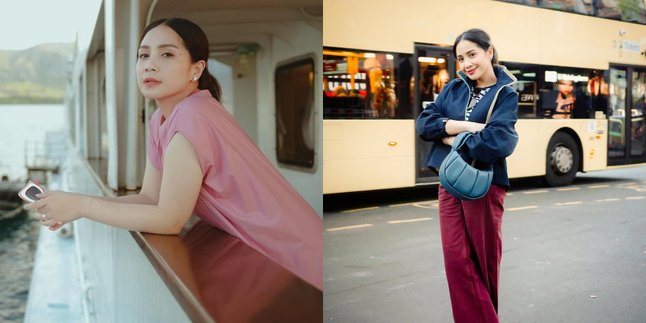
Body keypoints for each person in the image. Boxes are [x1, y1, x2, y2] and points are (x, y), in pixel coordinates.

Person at [24, 18, 323, 290]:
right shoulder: (163, 119)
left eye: (167, 54)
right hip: (278, 256)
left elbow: (169, 219)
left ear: (197, 69)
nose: (150, 65)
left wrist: (83, 207)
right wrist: (71, 202)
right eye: (143, 55)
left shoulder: (193, 117)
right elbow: (150, 198)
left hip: (294, 259)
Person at [416, 28, 519, 323]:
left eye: (472, 55)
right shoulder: (453, 88)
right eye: (460, 58)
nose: (466, 64)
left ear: (489, 52)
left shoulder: (505, 94)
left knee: (483, 262)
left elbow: (500, 141)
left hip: (484, 184)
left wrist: (448, 138)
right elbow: (425, 124)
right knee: (455, 258)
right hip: (449, 182)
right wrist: (463, 127)